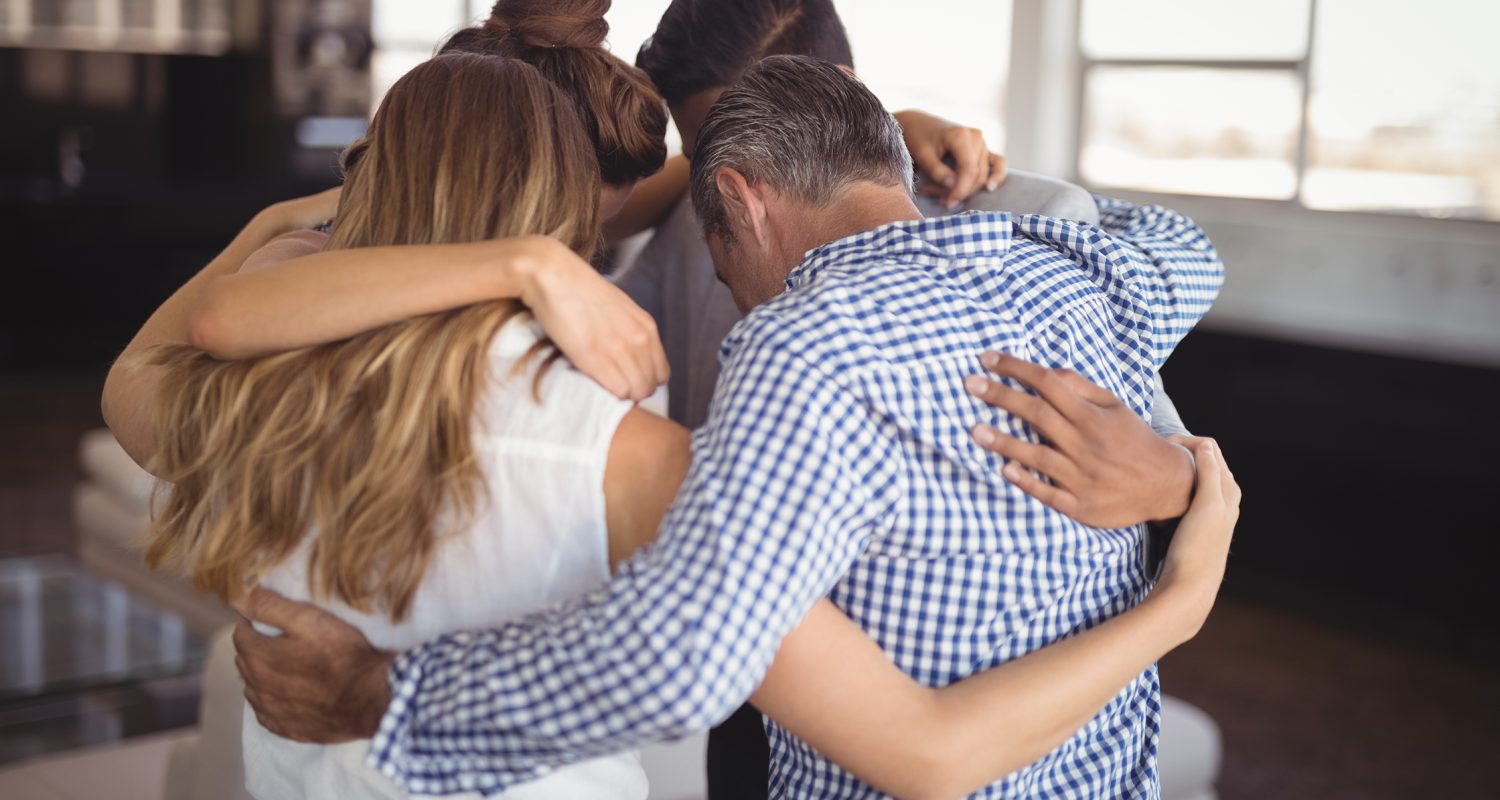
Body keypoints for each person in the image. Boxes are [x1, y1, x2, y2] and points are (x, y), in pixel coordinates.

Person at [231, 55, 1228, 799]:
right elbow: (1192, 250)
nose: (732, 301)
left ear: (742, 204)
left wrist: (384, 697)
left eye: (717, 265)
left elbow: (682, 654)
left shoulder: (802, 346)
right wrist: (1184, 475)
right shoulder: (1076, 268)